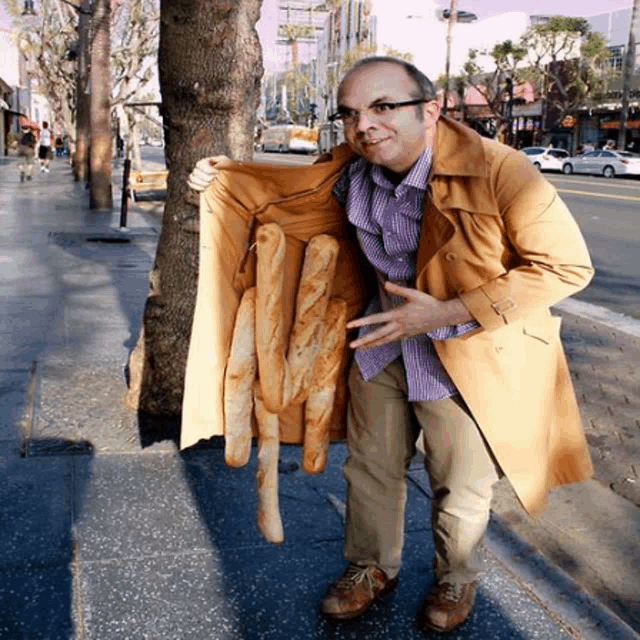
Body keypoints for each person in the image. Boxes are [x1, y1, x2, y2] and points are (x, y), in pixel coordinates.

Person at [188, 57, 594, 634]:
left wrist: (448, 311)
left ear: (430, 111)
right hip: (381, 340)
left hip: (468, 349)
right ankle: (371, 567)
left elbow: (566, 268)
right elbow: (283, 190)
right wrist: (221, 174)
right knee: (371, 466)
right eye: (350, 114)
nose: (364, 125)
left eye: (383, 108)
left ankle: (457, 577)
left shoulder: (500, 170)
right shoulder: (351, 168)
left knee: (460, 478)